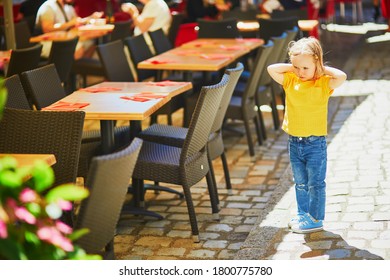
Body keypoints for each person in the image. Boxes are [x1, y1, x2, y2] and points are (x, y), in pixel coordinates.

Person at [267, 37, 347, 233]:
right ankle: (303, 214)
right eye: (297, 67)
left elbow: (342, 76)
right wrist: (294, 65)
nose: (301, 72)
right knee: (300, 183)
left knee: (316, 183)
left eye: (305, 68)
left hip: (315, 144)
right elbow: (271, 68)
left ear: (316, 64)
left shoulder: (323, 83)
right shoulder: (290, 80)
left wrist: (320, 68)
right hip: (295, 142)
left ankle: (316, 218)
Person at [35, 0, 103, 59]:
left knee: (91, 42)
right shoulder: (48, 7)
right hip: (47, 42)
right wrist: (70, 23)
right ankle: (70, 72)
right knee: (78, 49)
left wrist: (90, 18)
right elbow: (47, 29)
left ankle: (79, 71)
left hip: (65, 39)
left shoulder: (68, 7)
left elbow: (76, 22)